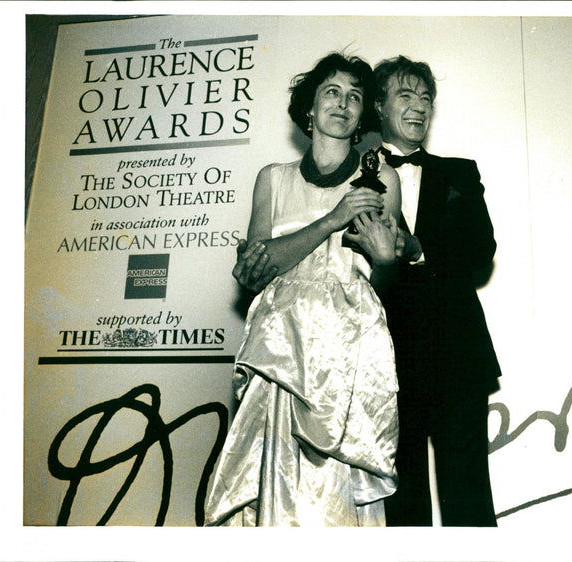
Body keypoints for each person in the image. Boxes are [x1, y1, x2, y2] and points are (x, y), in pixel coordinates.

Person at [204, 52, 402, 526]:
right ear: (309, 109)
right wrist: (334, 219)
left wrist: (387, 257)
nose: (343, 103)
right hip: (279, 351)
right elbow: (255, 271)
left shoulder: (383, 178)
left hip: (351, 348)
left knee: (336, 494)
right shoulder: (273, 179)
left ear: (362, 117)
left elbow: (388, 275)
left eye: (355, 96)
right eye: (331, 92)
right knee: (272, 486)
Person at [372, 56, 501, 526]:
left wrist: (419, 248)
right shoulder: (355, 175)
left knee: (468, 500)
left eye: (426, 98)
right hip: (384, 360)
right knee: (401, 506)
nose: (419, 107)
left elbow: (480, 249)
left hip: (457, 357)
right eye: (405, 96)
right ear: (379, 107)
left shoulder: (460, 173)